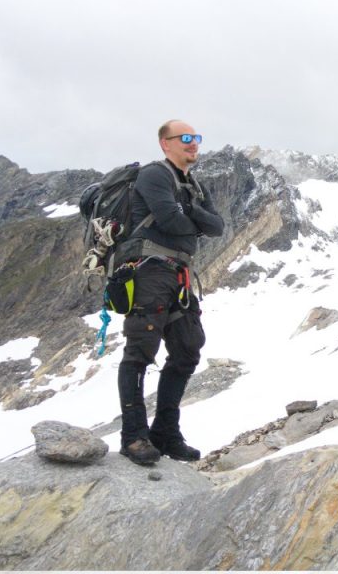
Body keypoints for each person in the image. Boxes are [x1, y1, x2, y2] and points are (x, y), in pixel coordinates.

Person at [115, 120, 225, 465]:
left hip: (179, 273)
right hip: (149, 269)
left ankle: (165, 432)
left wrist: (188, 211)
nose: (194, 144)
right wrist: (195, 220)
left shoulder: (193, 184)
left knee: (188, 347)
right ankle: (133, 436)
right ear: (165, 143)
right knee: (140, 349)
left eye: (197, 139)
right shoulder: (154, 175)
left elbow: (218, 227)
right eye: (186, 138)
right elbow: (169, 221)